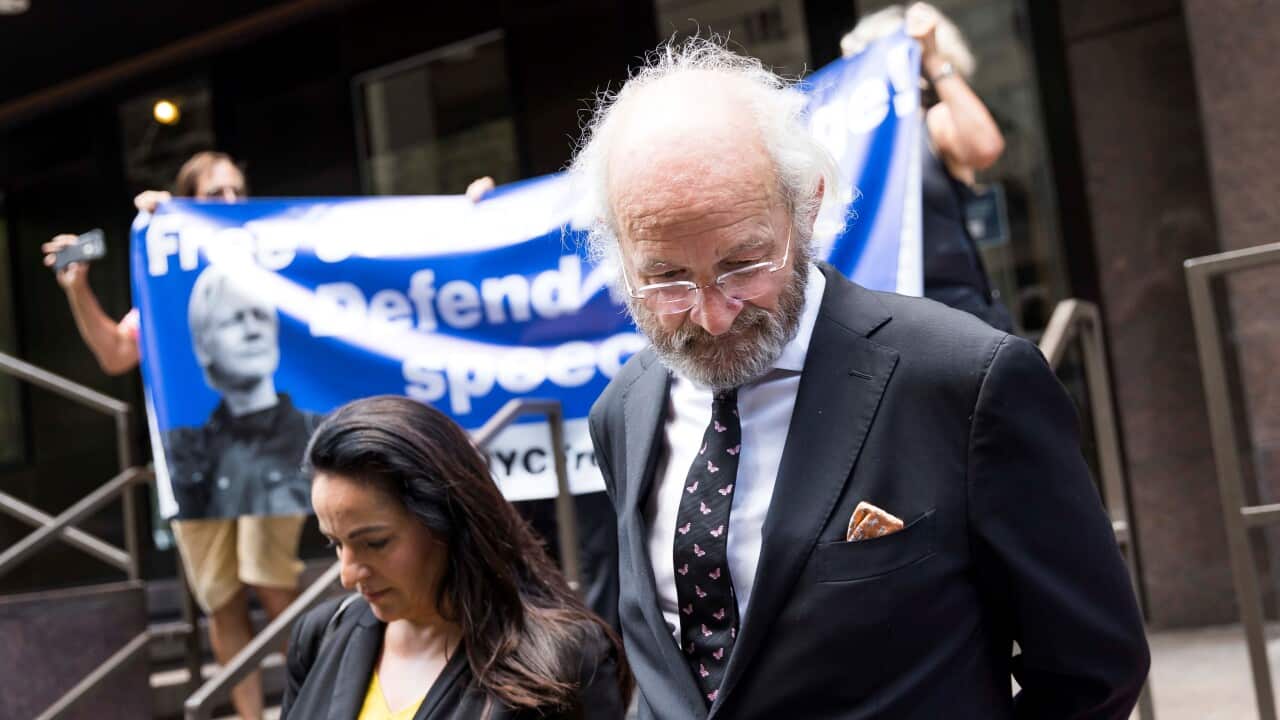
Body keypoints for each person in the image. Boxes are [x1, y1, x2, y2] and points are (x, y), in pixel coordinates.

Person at [573, 38, 1149, 718]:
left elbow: (1094, 669)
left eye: (744, 263)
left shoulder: (964, 380)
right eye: (667, 277)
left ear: (808, 207)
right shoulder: (625, 410)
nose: (714, 313)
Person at [42, 151, 305, 720]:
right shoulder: (167, 285)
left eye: (239, 191)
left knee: (272, 583)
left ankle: (321, 706)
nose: (231, 204)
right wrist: (77, 287)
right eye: (215, 196)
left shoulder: (275, 259)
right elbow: (116, 353)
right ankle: (251, 715)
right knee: (223, 602)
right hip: (197, 465)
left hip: (274, 451)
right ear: (188, 204)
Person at [282, 395, 631, 719]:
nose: (348, 574)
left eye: (375, 543)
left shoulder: (563, 659)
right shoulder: (320, 636)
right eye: (336, 544)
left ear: (446, 520)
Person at [843, 2, 1014, 331]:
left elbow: (985, 147)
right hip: (886, 324)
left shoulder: (933, 125)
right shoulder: (851, 141)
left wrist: (932, 56)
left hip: (958, 317)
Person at [163, 263, 320, 519]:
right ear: (203, 346)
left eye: (260, 315)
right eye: (234, 320)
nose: (252, 330)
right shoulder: (189, 450)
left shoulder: (318, 433)